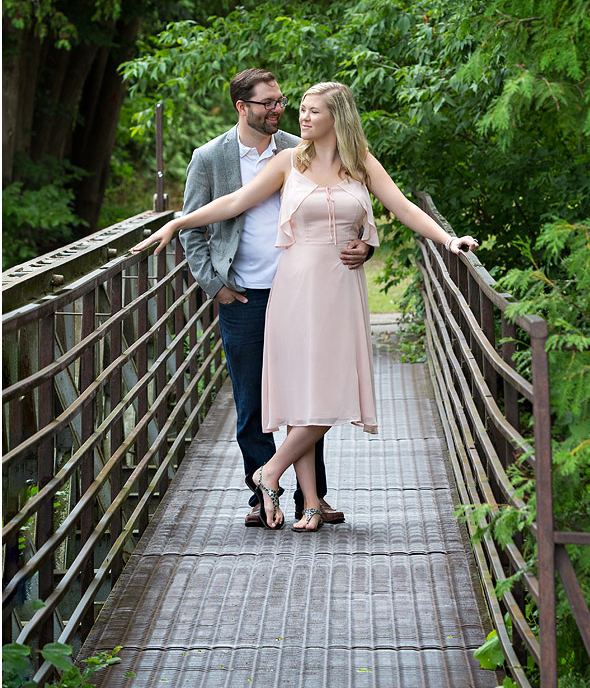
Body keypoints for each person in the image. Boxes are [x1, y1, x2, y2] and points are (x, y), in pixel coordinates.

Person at [133, 81, 478, 531]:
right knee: (304, 396)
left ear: (338, 117)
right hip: (292, 287)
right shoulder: (288, 161)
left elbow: (404, 209)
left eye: (313, 111)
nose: (301, 116)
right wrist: (179, 222)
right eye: (301, 110)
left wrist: (448, 240)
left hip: (340, 290)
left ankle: (286, 483)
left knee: (332, 391)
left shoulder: (361, 165)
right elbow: (235, 202)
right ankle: (296, 492)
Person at [177, 69, 371, 528]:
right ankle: (262, 495)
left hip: (301, 288)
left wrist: (366, 243)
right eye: (268, 103)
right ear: (242, 107)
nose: (279, 109)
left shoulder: (298, 148)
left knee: (309, 393)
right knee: (253, 401)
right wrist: (214, 284)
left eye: (282, 101)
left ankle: (313, 497)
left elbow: (345, 203)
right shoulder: (210, 158)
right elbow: (201, 220)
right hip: (242, 292)